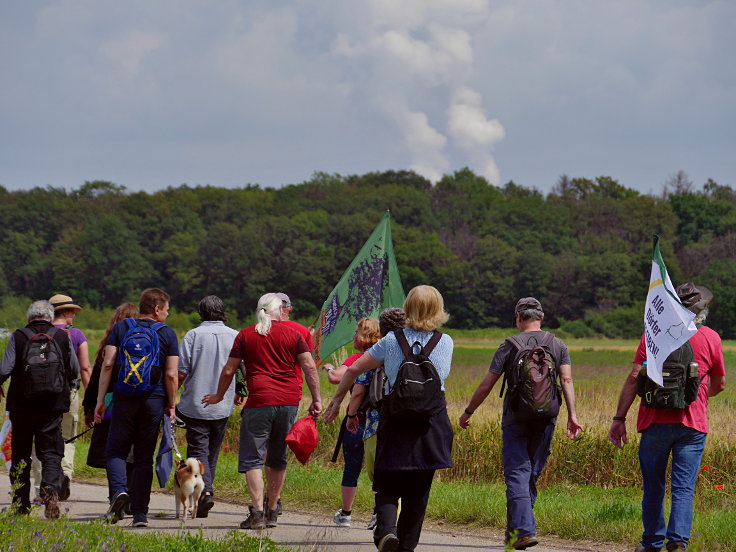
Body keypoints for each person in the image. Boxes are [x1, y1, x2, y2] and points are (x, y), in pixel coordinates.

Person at [323, 285, 454, 552]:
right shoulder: (446, 341)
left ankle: (386, 532)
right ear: (438, 309)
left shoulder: (392, 341)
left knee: (387, 483)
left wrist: (337, 400)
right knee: (419, 492)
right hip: (431, 425)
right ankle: (406, 547)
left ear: (408, 307)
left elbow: (354, 369)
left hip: (395, 421)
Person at [608, 283, 726, 552]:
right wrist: (696, 397)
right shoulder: (711, 338)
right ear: (701, 312)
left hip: (653, 422)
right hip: (692, 424)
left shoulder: (652, 334)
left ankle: (651, 543)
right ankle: (677, 542)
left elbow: (634, 378)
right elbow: (720, 384)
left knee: (653, 487)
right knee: (683, 488)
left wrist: (619, 418)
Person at [459, 297, 583, 551]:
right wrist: (573, 415)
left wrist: (468, 411)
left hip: (516, 417)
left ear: (518, 317)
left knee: (517, 472)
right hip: (547, 416)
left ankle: (522, 531)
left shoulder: (509, 345)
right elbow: (567, 381)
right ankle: (516, 532)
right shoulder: (558, 344)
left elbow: (487, 384)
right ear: (542, 316)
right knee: (530, 474)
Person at [202, 293, 321, 530]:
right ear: (279, 310)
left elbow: (229, 371)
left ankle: (256, 512)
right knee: (278, 458)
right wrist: (316, 399)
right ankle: (271, 510)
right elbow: (308, 366)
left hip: (259, 402)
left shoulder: (245, 335)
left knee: (253, 458)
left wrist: (218, 395)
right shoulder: (295, 334)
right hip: (288, 402)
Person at [94, 288, 179, 527]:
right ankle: (140, 514)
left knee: (116, 451)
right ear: (156, 309)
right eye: (166, 310)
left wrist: (101, 400)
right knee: (144, 457)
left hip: (123, 399)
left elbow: (108, 364)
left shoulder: (121, 328)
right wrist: (171, 405)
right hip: (153, 401)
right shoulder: (168, 334)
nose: (168, 314)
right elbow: (171, 374)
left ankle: (119, 492)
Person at [0, 300, 78, 519]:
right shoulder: (62, 336)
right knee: (51, 453)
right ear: (50, 317)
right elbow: (73, 369)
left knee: (21, 454)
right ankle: (51, 493)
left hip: (22, 406)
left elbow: (5, 368)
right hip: (52, 406)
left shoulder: (19, 336)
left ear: (29, 317)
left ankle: (20, 505)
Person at [343, 308, 406, 531]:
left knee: (376, 471)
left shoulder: (372, 356)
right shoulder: (409, 350)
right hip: (403, 419)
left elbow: (358, 391)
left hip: (374, 422)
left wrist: (351, 415)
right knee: (397, 470)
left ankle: (382, 514)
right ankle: (392, 515)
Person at [177, 295, 239, 518]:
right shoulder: (235, 335)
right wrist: (240, 392)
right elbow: (241, 369)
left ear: (201, 313)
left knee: (198, 451)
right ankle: (203, 494)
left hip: (195, 404)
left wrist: (169, 396)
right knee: (211, 453)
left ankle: (205, 493)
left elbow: (181, 371)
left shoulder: (193, 335)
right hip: (223, 405)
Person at [29, 294, 93, 501]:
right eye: (72, 311)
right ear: (64, 312)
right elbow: (84, 368)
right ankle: (63, 476)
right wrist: (91, 399)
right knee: (67, 438)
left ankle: (41, 487)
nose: (74, 315)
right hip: (68, 394)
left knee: (40, 439)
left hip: (37, 396)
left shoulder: (35, 333)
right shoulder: (76, 335)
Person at [323, 317, 381, 527]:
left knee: (352, 467)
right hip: (380, 422)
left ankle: (346, 513)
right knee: (380, 469)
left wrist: (329, 368)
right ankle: (379, 512)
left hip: (357, 421)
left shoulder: (358, 358)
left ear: (364, 336)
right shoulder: (385, 356)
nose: (353, 336)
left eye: (356, 333)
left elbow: (337, 378)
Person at [81, 302, 139, 501]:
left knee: (114, 451)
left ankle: (117, 494)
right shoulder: (144, 342)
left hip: (110, 404)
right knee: (133, 452)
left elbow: (97, 378)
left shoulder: (108, 346)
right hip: (140, 402)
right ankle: (133, 497)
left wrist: (89, 408)